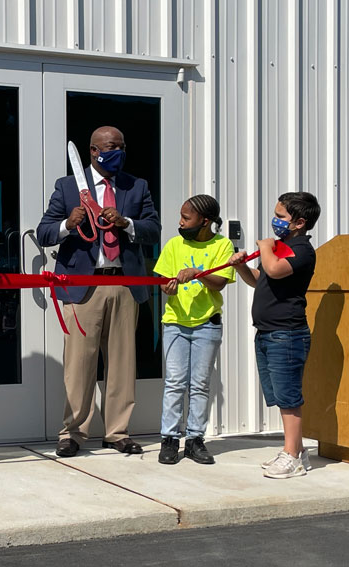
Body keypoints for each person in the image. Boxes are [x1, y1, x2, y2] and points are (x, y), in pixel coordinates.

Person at [37, 126, 161, 457]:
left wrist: (127, 223)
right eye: (110, 147)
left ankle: (117, 431)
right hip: (82, 286)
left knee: (122, 362)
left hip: (123, 282)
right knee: (79, 362)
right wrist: (68, 224)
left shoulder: (137, 186)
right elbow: (45, 231)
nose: (117, 151)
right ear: (93, 151)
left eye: (121, 146)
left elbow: (153, 230)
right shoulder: (67, 187)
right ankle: (73, 432)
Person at [229, 192, 321, 479]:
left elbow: (275, 269)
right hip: (268, 333)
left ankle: (291, 456)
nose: (275, 221)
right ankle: (297, 450)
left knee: (289, 396)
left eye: (281, 217)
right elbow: (260, 279)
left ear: (300, 222)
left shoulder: (302, 250)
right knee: (281, 396)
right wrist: (241, 265)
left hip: (288, 334)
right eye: (276, 214)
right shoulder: (279, 247)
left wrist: (264, 246)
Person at [154, 195, 234, 465]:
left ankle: (195, 440)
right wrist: (166, 286)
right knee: (175, 382)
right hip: (175, 321)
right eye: (181, 216)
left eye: (186, 218)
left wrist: (196, 273)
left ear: (205, 221)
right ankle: (169, 439)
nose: (180, 222)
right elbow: (162, 279)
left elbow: (220, 282)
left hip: (206, 324)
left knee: (199, 384)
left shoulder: (222, 245)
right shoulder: (175, 244)